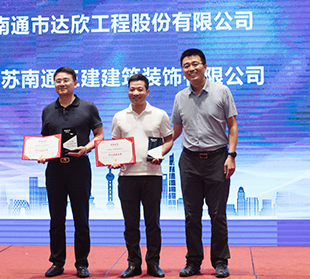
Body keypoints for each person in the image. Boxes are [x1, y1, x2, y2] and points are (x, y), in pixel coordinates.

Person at [171, 49, 238, 278]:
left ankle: (220, 261)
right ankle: (193, 262)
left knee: (218, 214)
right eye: (186, 65)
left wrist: (231, 155)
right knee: (191, 215)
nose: (191, 68)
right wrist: (152, 145)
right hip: (189, 160)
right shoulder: (180, 97)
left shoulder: (222, 91)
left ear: (205, 66)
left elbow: (232, 126)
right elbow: (175, 131)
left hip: (217, 159)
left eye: (195, 64)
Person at [39, 67, 104, 278]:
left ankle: (82, 263)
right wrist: (41, 154)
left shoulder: (88, 107)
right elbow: (45, 140)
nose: (62, 84)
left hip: (79, 168)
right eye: (58, 80)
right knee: (56, 218)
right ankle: (57, 262)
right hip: (55, 169)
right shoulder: (47, 110)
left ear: (75, 83)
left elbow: (99, 135)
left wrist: (87, 148)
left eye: (66, 80)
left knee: (81, 218)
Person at [111, 74, 173, 278]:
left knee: (152, 223)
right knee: (130, 224)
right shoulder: (119, 116)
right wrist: (114, 160)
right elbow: (115, 145)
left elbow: (169, 139)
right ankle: (133, 264)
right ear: (128, 91)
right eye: (132, 89)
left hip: (152, 175)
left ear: (147, 91)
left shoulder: (160, 114)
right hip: (127, 176)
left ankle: (153, 263)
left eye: (140, 89)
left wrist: (160, 153)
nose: (135, 93)